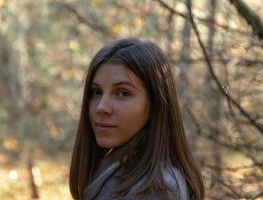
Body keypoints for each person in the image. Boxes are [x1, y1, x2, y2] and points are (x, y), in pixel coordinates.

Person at [69, 38, 204, 200]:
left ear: (156, 104)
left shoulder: (157, 189)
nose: (101, 107)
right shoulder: (115, 166)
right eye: (97, 92)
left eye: (122, 93)